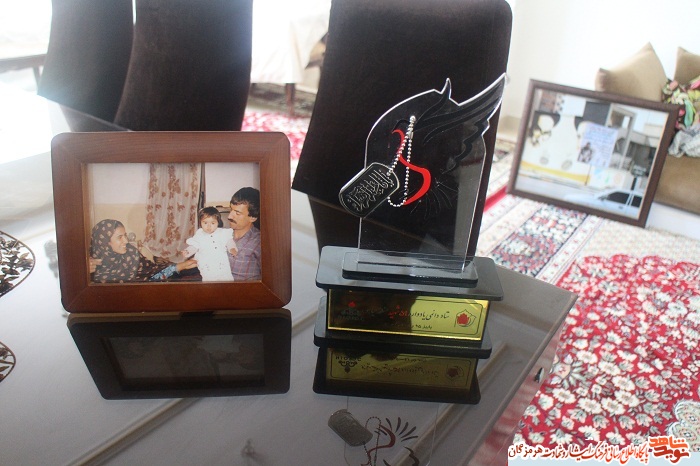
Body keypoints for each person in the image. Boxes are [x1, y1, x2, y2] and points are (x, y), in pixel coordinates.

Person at [90, 219, 196, 283]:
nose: (126, 241)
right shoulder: (91, 267)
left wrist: (180, 266)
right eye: (119, 237)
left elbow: (153, 275)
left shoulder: (130, 253)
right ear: (105, 242)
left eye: (125, 235)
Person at [180, 207, 238, 282]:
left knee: (225, 278)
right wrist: (188, 251)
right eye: (205, 223)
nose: (209, 226)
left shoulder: (222, 233)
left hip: (221, 262)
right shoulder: (199, 234)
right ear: (200, 222)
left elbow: (229, 242)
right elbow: (194, 246)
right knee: (208, 280)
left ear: (218, 222)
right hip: (206, 262)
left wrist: (232, 249)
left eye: (213, 223)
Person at [227, 187, 261, 281]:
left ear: (253, 218)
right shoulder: (221, 235)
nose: (229, 216)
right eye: (231, 209)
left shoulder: (259, 243)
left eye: (237, 213)